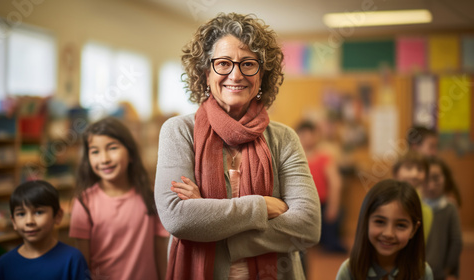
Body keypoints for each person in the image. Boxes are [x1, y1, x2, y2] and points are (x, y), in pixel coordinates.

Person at [154, 13, 321, 280]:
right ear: (205, 72)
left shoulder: (284, 138)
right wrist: (263, 207)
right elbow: (178, 218)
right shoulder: (178, 132)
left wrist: (209, 219)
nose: (236, 74)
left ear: (262, 75)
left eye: (248, 64)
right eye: (223, 63)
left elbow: (308, 227)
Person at [69, 117, 169, 280]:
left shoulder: (150, 196)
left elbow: (160, 252)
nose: (104, 159)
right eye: (95, 151)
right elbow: (83, 266)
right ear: (88, 159)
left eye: (112, 148)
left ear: (130, 154)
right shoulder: (83, 203)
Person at [336, 179, 433, 280]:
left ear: (414, 229)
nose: (389, 234)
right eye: (380, 222)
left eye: (401, 225)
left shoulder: (423, 272)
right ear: (366, 222)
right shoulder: (349, 271)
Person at [0, 180, 88, 280]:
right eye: (21, 214)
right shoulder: (3, 264)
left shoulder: (73, 259)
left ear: (58, 216)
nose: (29, 221)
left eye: (38, 212)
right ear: (14, 222)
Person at [296, 120, 346, 253]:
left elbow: (336, 183)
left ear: (315, 136)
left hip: (322, 204)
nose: (307, 138)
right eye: (303, 135)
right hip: (301, 204)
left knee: (330, 245)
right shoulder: (295, 158)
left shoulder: (325, 157)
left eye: (310, 134)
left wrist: (333, 207)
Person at [423, 157, 463, 280]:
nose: (431, 186)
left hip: (441, 275)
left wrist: (448, 271)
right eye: (426, 180)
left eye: (436, 178)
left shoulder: (450, 208)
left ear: (445, 179)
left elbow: (456, 242)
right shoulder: (416, 207)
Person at [392, 151, 433, 243]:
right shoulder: (386, 198)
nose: (414, 174)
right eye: (408, 168)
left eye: (420, 169)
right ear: (396, 172)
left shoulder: (426, 209)